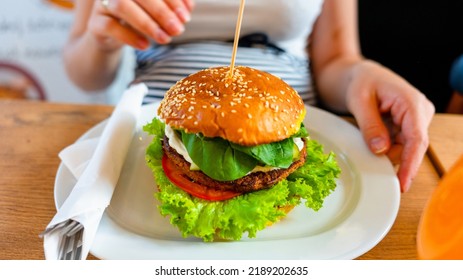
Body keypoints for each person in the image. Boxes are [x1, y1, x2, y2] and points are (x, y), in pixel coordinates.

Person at [62, 0, 434, 193]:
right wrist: (102, 35)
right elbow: (85, 74)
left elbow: (337, 57)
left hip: (290, 114)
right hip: (160, 112)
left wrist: (362, 74)